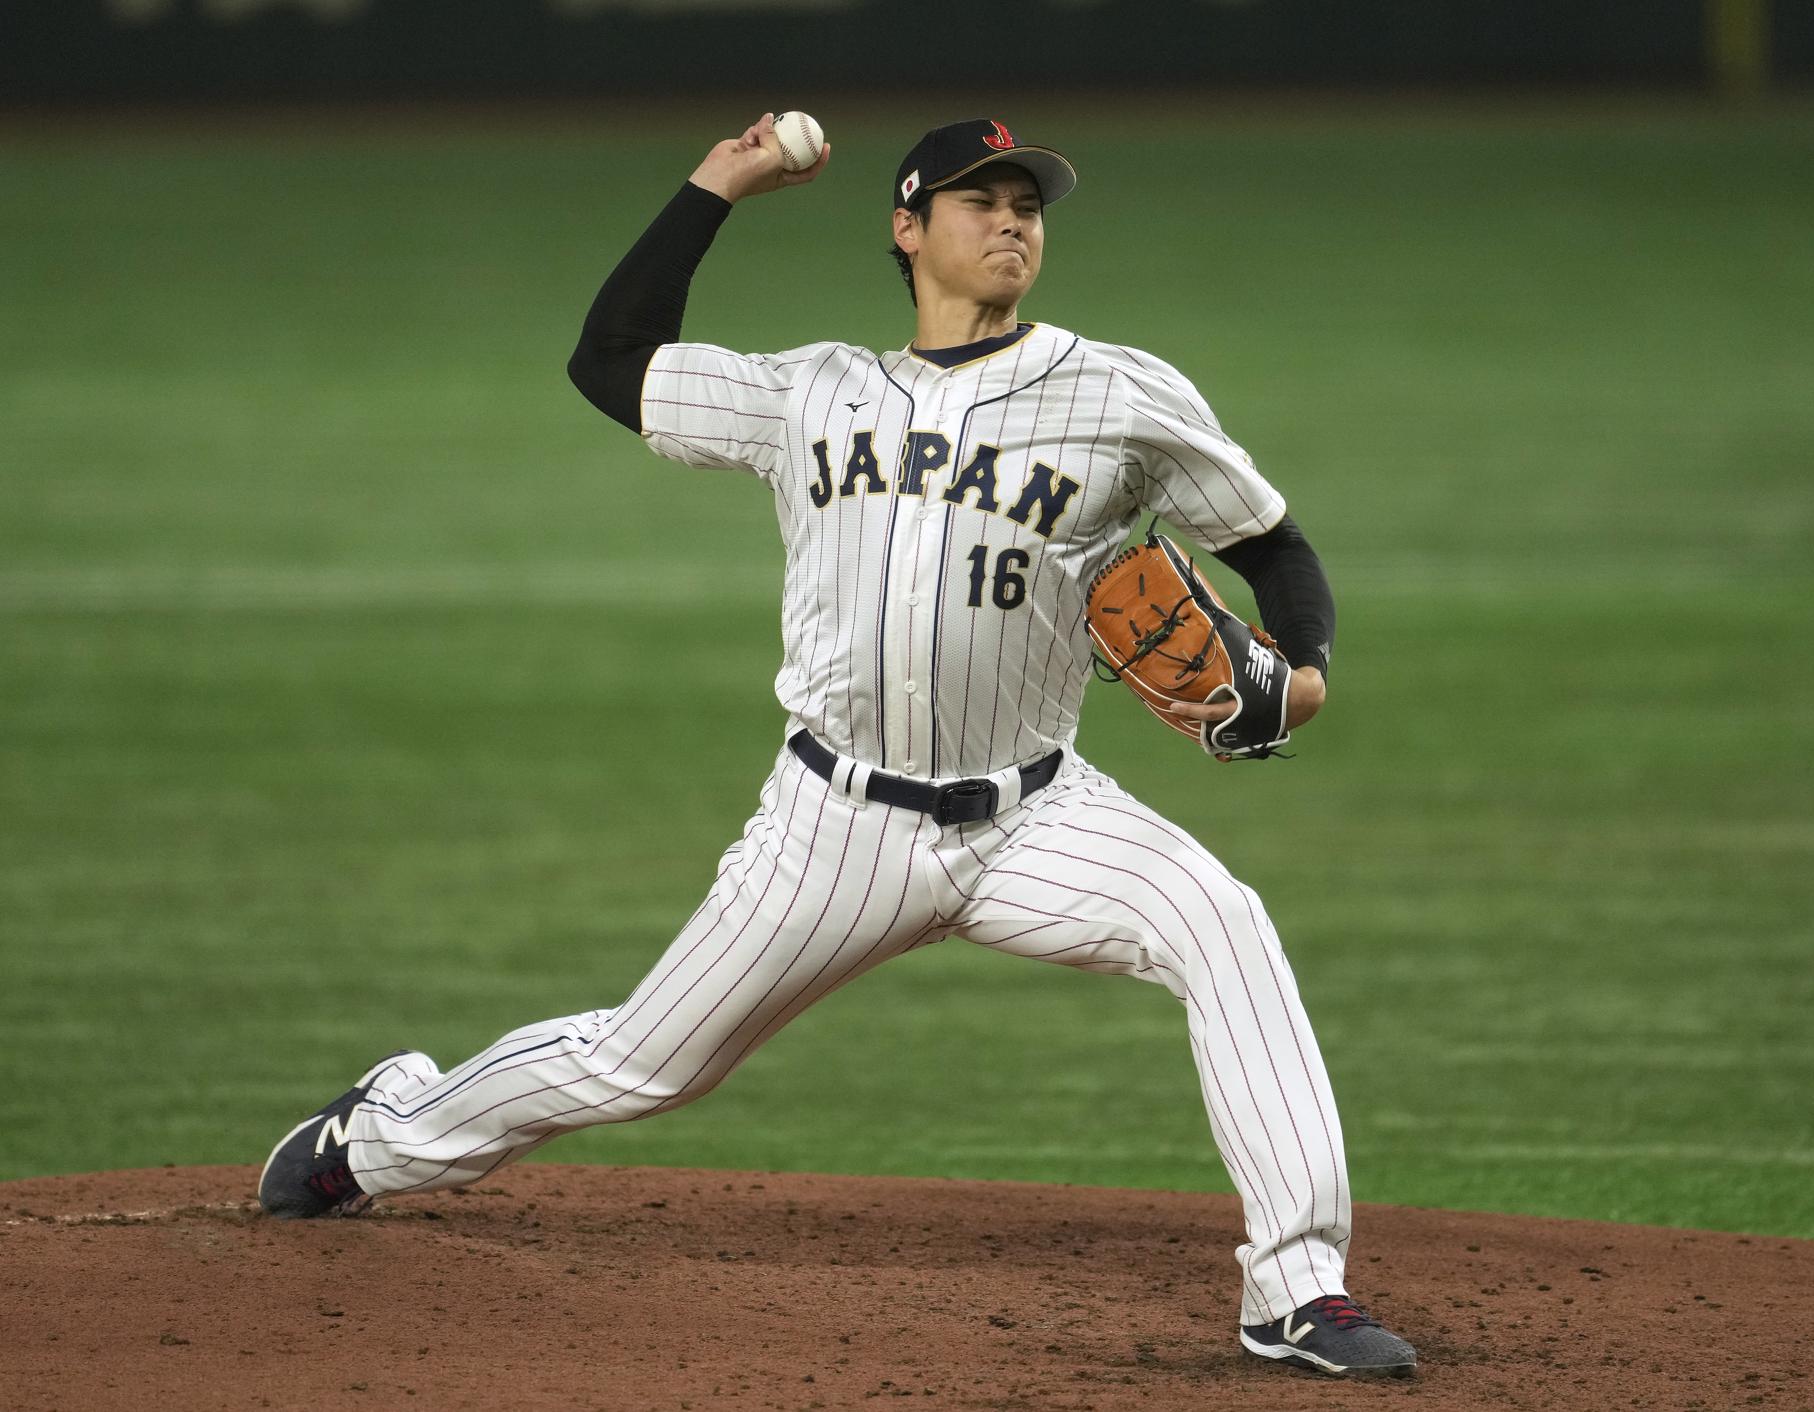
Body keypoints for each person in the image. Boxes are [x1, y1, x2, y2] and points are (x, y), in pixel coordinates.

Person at [257, 114, 1417, 1378]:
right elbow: (610, 359)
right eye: (981, 199)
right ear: (909, 229)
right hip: (835, 825)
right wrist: (723, 181)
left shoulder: (1121, 391)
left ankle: (1297, 1289)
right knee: (639, 1063)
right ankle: (376, 1136)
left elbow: (1272, 545)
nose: (1014, 218)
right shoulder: (810, 392)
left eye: (1028, 200)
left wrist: (1302, 668)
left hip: (1039, 815)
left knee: (1224, 923)